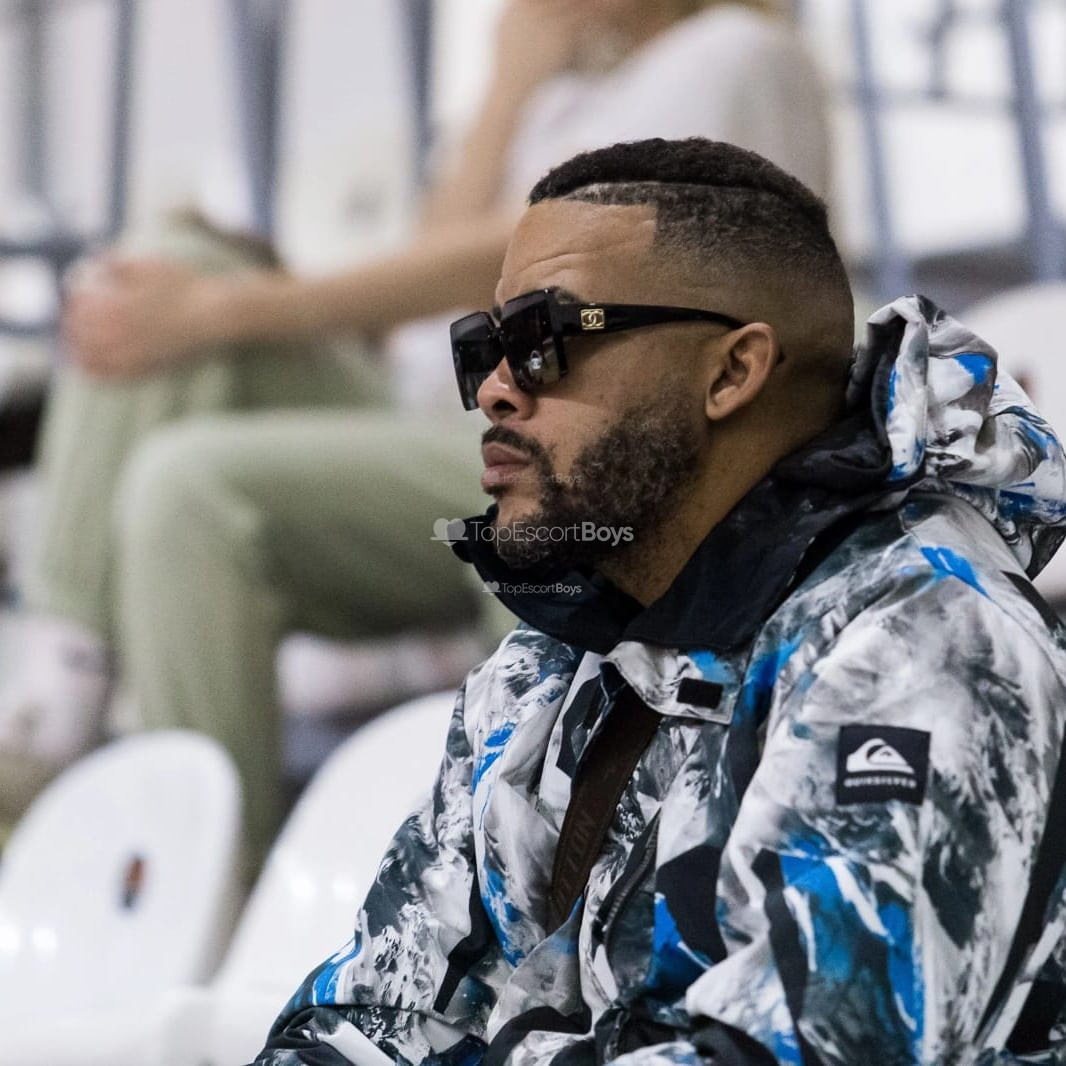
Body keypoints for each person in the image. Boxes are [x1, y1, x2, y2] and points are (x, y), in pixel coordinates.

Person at [249, 138, 1066, 1064]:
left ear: (731, 372)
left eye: (544, 341)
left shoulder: (925, 647)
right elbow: (373, 1018)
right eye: (483, 350)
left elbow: (794, 1050)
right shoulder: (547, 669)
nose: (495, 391)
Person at [0, 0, 832, 865]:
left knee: (187, 482)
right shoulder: (563, 93)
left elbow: (559, 260)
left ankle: (182, 851)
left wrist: (228, 310)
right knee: (164, 264)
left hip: (562, 436)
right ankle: (61, 689)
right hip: (432, 407)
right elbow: (426, 302)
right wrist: (509, 87)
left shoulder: (735, 51)